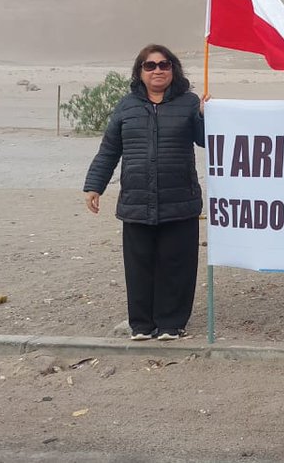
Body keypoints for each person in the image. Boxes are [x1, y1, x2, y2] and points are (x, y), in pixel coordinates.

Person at [83, 44, 206, 341]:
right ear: (140, 72)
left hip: (180, 200)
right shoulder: (127, 106)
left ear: (173, 69)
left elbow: (207, 142)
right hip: (137, 201)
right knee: (139, 266)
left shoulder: (189, 103)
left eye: (164, 65)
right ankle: (141, 324)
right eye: (150, 66)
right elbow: (110, 150)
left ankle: (171, 323)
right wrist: (93, 185)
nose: (158, 71)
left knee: (176, 264)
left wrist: (205, 115)